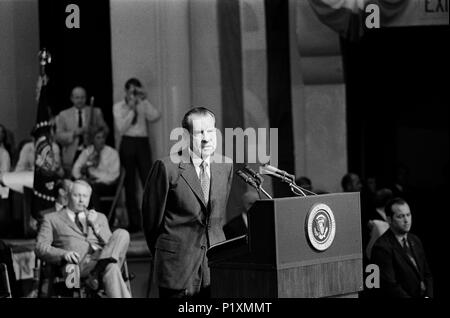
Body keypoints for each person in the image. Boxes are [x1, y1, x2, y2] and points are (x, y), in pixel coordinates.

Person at [142, 107, 233, 298]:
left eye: (210, 131)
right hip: (176, 267)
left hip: (214, 266)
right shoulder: (167, 167)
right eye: (200, 133)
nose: (207, 138)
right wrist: (167, 253)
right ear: (186, 136)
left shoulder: (225, 166)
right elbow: (152, 222)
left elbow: (216, 218)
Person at [35, 180, 131, 298]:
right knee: (112, 267)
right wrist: (63, 254)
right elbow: (40, 247)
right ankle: (96, 274)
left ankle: (96, 274)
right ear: (68, 195)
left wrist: (95, 226)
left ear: (89, 198)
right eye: (77, 195)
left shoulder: (99, 217)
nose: (81, 200)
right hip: (77, 264)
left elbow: (112, 245)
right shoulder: (52, 219)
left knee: (122, 233)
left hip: (101, 257)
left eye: (85, 196)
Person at [113, 78, 160, 233]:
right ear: (126, 91)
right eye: (131, 91)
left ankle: (151, 221)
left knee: (147, 181)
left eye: (136, 90)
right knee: (130, 185)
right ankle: (134, 222)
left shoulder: (142, 103)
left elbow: (155, 116)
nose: (133, 94)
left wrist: (143, 100)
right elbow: (121, 128)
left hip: (142, 143)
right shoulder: (118, 107)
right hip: (127, 142)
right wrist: (132, 109)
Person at [371, 197, 433, 298]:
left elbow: (427, 274)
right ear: (389, 219)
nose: (406, 220)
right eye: (400, 216)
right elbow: (390, 286)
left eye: (408, 215)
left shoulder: (415, 240)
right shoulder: (381, 247)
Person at [55, 86, 107, 174]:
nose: (80, 100)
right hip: (72, 154)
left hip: (91, 152)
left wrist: (95, 130)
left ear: (86, 98)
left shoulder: (96, 111)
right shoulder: (63, 114)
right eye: (77, 97)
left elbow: (105, 130)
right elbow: (58, 136)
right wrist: (75, 132)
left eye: (82, 97)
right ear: (72, 98)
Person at [72, 126, 120, 212]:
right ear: (92, 139)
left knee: (91, 188)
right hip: (90, 183)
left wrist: (97, 179)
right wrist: (81, 178)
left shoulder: (112, 153)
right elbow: (75, 169)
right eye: (98, 137)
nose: (101, 140)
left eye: (103, 137)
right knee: (78, 186)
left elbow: (114, 176)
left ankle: (96, 217)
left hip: (107, 185)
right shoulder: (88, 152)